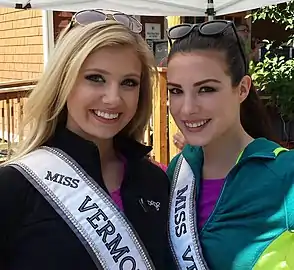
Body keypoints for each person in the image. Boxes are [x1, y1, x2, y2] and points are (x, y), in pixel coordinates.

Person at [0, 10, 174, 270]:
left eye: (129, 82)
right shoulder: (14, 186)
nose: (113, 99)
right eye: (95, 78)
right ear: (63, 82)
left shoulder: (155, 181)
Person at [165, 20, 294, 269]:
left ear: (243, 89)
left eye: (206, 89)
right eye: (176, 91)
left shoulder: (285, 174)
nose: (188, 108)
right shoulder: (178, 172)